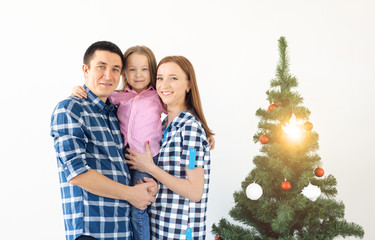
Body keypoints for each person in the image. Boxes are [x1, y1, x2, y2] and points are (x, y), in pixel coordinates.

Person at [50, 41, 157, 240]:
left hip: (123, 231)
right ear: (85, 69)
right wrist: (131, 194)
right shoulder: (71, 109)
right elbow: (77, 174)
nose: (108, 75)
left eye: (115, 69)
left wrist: (148, 182)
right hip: (92, 232)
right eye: (101, 67)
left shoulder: (116, 113)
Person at [126, 56, 213, 240]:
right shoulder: (164, 124)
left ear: (188, 85)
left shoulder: (189, 127)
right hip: (160, 228)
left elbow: (194, 191)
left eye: (173, 78)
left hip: (180, 233)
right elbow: (172, 179)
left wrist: (150, 168)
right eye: (160, 78)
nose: (164, 85)